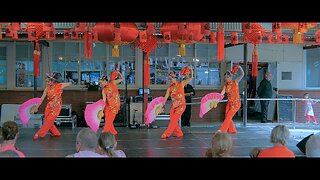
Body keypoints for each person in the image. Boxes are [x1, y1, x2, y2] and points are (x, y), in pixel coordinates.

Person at [33, 73, 72, 140]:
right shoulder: (47, 89)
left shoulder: (59, 86)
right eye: (46, 82)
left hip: (56, 106)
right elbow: (42, 98)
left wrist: (70, 82)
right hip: (49, 106)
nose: (47, 83)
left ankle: (39, 133)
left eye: (48, 81)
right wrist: (37, 107)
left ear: (52, 81)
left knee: (49, 120)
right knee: (47, 120)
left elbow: (69, 83)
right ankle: (56, 133)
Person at [161, 67, 193, 139]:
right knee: (173, 120)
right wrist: (160, 105)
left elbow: (191, 77)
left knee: (174, 119)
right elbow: (165, 98)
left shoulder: (181, 84)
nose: (169, 80)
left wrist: (191, 70)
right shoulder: (170, 88)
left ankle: (167, 133)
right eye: (169, 79)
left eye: (170, 79)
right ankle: (178, 133)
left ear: (175, 78)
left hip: (181, 105)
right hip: (174, 106)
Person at [216, 65, 244, 134]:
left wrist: (240, 67)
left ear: (231, 77)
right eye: (225, 77)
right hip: (229, 103)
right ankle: (232, 130)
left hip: (236, 103)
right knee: (227, 115)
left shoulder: (235, 82)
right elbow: (221, 94)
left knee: (229, 116)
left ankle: (222, 130)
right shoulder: (225, 85)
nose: (226, 78)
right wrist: (216, 100)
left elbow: (242, 74)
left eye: (227, 77)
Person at [98, 70, 124, 135]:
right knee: (107, 120)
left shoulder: (113, 82)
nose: (100, 84)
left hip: (115, 105)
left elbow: (122, 79)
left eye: (101, 83)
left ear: (104, 80)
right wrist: (102, 110)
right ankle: (113, 132)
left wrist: (119, 73)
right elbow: (104, 101)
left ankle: (104, 132)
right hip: (108, 106)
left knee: (109, 120)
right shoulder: (103, 90)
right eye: (99, 83)